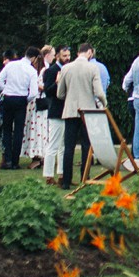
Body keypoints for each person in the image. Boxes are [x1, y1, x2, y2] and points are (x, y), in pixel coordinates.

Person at [59, 43, 105, 189]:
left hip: (71, 110)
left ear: (78, 52)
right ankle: (85, 178)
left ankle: (66, 180)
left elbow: (60, 93)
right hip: (87, 111)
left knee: (69, 147)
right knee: (86, 146)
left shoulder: (66, 68)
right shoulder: (93, 68)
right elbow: (99, 92)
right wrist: (104, 103)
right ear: (90, 52)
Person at [0, 47, 37, 169]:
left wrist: (6, 88)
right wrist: (25, 99)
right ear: (34, 58)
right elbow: (33, 93)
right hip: (21, 99)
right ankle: (15, 161)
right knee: (18, 131)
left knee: (6, 129)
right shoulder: (31, 70)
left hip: (8, 98)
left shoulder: (11, 65)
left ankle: (7, 160)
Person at [21, 47, 54, 168]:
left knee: (40, 129)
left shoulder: (44, 70)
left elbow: (47, 86)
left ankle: (41, 156)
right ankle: (36, 156)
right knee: (33, 129)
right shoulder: (33, 70)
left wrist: (37, 85)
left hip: (40, 103)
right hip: (33, 103)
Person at [41, 48, 65, 184]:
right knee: (53, 144)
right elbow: (47, 92)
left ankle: (62, 175)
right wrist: (56, 82)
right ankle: (49, 175)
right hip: (56, 110)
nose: (67, 58)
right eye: (64, 55)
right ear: (57, 56)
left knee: (63, 146)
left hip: (66, 110)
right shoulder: (51, 70)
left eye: (68, 55)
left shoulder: (67, 69)